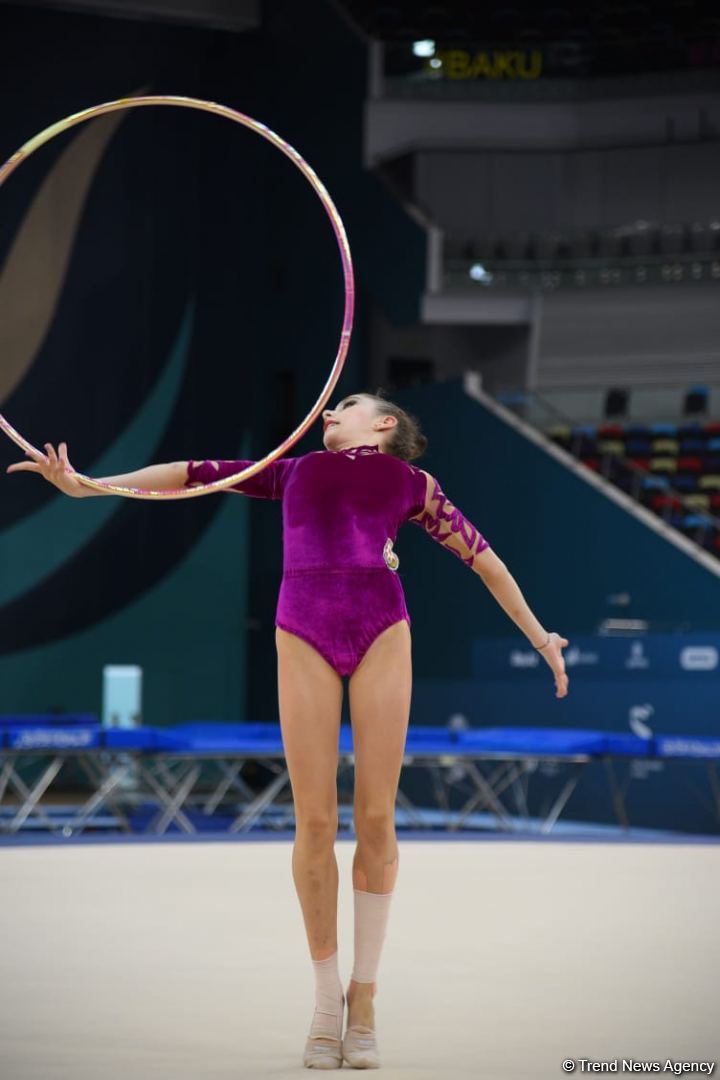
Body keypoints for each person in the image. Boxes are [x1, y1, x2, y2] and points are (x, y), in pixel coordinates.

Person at [7, 389, 569, 1070]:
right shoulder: (290, 469)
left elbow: (484, 559)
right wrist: (91, 487)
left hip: (382, 632)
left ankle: (365, 995)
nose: (329, 411)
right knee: (312, 823)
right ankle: (326, 999)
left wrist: (541, 638)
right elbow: (188, 473)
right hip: (303, 631)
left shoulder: (412, 483)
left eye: (349, 405)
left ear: (385, 425)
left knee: (375, 819)